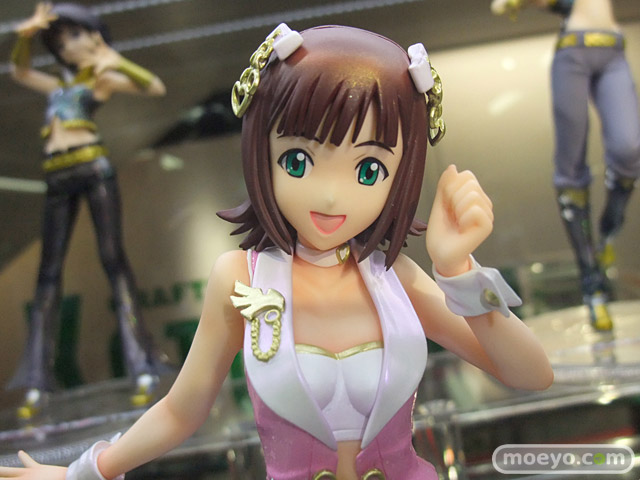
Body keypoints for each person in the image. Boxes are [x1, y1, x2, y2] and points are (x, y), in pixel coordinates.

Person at [0, 23, 553, 480]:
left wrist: (458, 270)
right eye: (298, 161)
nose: (331, 197)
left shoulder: (396, 277)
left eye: (368, 169)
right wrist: (81, 472)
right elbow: (181, 410)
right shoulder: (239, 277)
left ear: (402, 174)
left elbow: (530, 374)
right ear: (260, 152)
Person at [6, 2, 169, 419]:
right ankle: (36, 380)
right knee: (48, 273)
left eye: (74, 36)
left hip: (93, 168)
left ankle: (142, 365)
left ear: (94, 36)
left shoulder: (101, 79)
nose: (67, 46)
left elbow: (155, 87)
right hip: (56, 174)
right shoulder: (58, 84)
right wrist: (26, 37)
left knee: (113, 259)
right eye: (61, 42)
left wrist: (114, 59)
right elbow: (20, 72)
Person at [491, 0, 640, 330]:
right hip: (573, 49)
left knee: (629, 150)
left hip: (613, 49)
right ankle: (592, 285)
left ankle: (608, 233)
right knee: (570, 171)